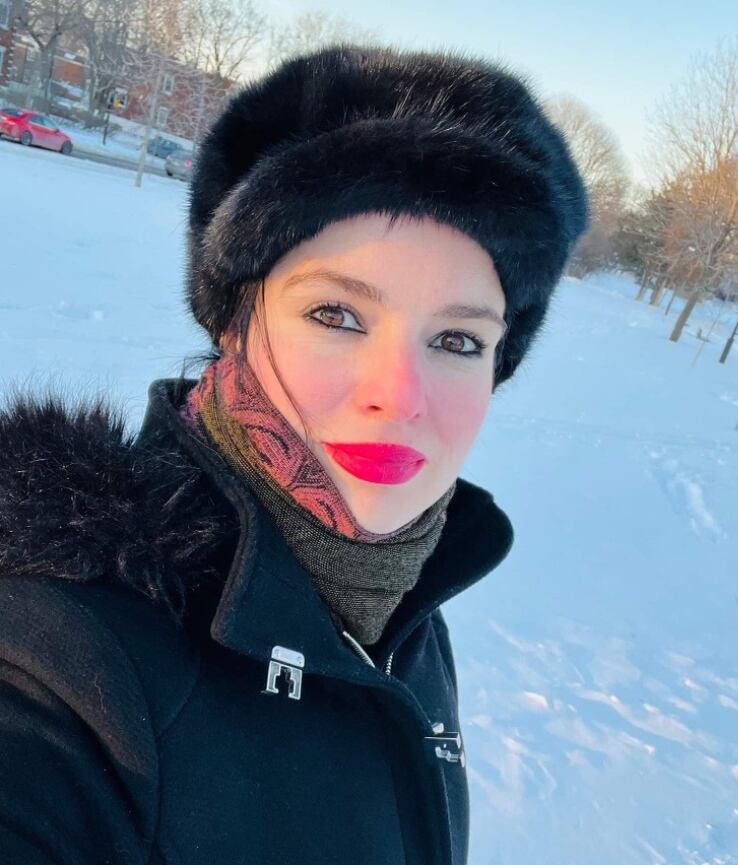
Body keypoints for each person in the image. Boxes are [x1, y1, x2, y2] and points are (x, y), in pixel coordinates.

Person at [0, 44, 587, 864]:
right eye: (338, 314)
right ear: (234, 321)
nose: (400, 395)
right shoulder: (65, 652)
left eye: (458, 339)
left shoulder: (406, 609)